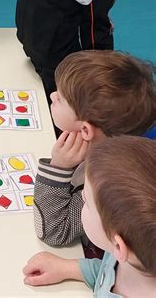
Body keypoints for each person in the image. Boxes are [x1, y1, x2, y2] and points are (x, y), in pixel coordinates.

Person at [33, 50, 155, 249]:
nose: (52, 95)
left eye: (61, 99)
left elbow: (55, 231)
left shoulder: (107, 181)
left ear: (85, 129)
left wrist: (58, 168)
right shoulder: (115, 138)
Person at [23, 136, 156, 298]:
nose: (80, 201)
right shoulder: (133, 255)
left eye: (85, 200)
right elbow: (107, 270)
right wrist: (69, 268)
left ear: (119, 247)